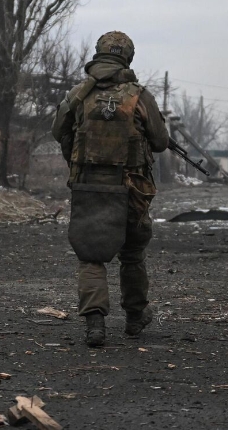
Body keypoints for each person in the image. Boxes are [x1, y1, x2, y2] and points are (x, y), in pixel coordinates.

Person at [51, 31, 169, 347]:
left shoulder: (79, 94)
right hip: (131, 190)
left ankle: (95, 326)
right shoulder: (139, 96)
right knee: (132, 254)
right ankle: (135, 317)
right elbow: (159, 142)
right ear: (127, 58)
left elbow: (57, 131)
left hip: (89, 187)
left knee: (91, 256)